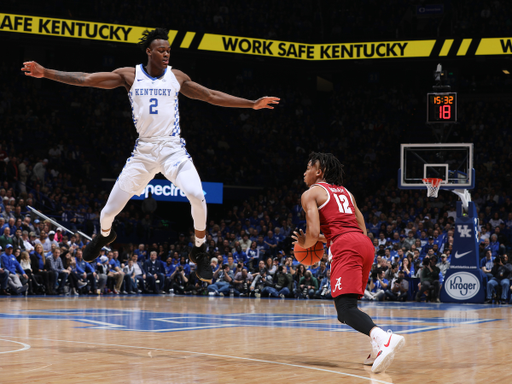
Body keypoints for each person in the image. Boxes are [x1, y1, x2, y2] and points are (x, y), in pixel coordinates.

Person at [22, 28, 279, 283]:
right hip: (143, 153)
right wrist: (46, 73)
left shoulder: (176, 77)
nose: (166, 54)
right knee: (108, 212)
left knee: (198, 195)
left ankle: (199, 248)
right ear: (149, 52)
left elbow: (211, 96)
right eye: (161, 50)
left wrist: (251, 103)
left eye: (168, 50)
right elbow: (87, 78)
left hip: (172, 149)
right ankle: (103, 235)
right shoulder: (129, 75)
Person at [292, 152, 404, 373]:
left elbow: (313, 233)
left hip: (345, 247)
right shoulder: (347, 193)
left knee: (344, 310)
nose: (304, 172)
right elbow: (360, 229)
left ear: (319, 171)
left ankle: (383, 339)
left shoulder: (310, 193)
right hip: (364, 244)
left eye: (308, 167)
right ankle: (375, 347)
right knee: (350, 306)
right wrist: (328, 239)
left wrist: (306, 243)